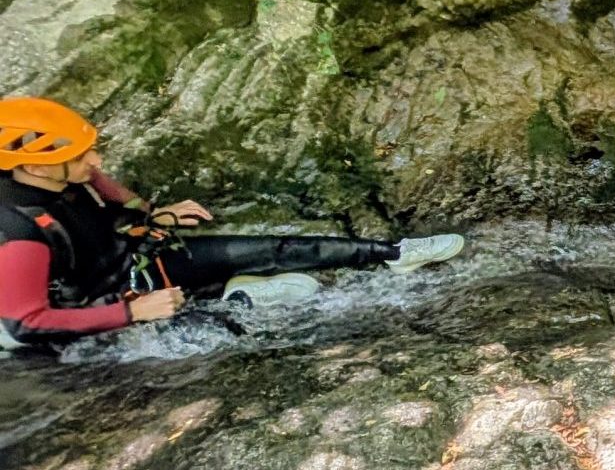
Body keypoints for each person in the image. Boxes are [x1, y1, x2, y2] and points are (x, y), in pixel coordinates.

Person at [0, 96, 465, 351]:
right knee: (220, 330)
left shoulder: (64, 170)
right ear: (37, 167)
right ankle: (233, 301)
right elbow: (26, 322)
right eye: (80, 156)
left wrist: (150, 211)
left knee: (274, 250)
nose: (95, 161)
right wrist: (132, 314)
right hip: (95, 307)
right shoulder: (17, 230)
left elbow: (103, 184)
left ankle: (393, 253)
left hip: (138, 265)